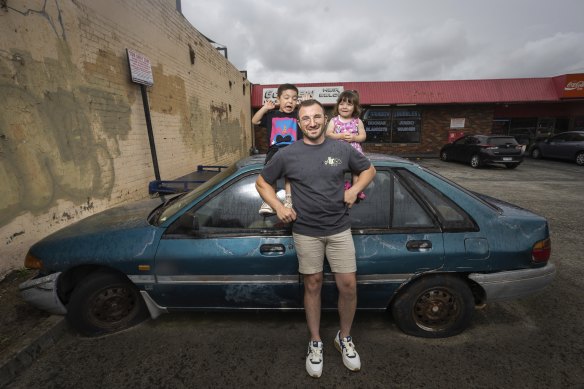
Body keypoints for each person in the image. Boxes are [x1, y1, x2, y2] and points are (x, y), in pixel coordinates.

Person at [255, 99, 376, 378]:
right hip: (306, 230)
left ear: (325, 119)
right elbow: (262, 183)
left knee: (348, 285)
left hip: (339, 228)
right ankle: (315, 341)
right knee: (313, 284)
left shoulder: (341, 148)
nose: (312, 122)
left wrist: (353, 189)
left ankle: (343, 337)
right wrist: (280, 207)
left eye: (317, 117)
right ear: (299, 123)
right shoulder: (287, 154)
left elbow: (369, 170)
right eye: (306, 118)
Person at [252, 83, 301, 215]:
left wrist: (305, 105)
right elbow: (255, 121)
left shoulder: (298, 115)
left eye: (294, 98)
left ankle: (288, 200)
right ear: (278, 99)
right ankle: (269, 201)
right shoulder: (272, 115)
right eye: (286, 97)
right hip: (275, 151)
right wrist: (265, 108)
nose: (290, 101)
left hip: (293, 151)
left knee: (290, 176)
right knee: (270, 177)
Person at [326, 90, 367, 200]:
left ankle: (357, 190)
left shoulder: (357, 121)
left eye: (349, 104)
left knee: (357, 171)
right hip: (338, 151)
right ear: (337, 105)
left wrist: (354, 138)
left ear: (355, 107)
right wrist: (340, 136)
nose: (345, 107)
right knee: (338, 170)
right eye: (342, 103)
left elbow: (363, 136)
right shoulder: (334, 121)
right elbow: (328, 134)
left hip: (354, 150)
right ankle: (342, 187)